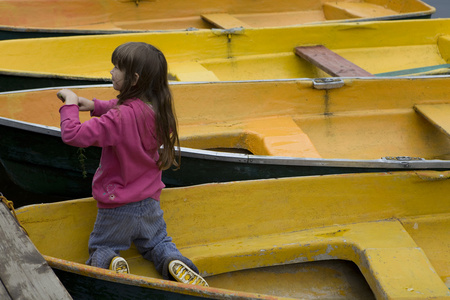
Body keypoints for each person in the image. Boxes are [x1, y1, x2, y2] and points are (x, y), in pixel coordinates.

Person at [57, 42, 208, 286]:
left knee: (102, 246)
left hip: (117, 208)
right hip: (149, 203)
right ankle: (172, 261)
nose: (111, 72)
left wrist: (70, 104)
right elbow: (129, 112)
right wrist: (96, 106)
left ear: (134, 78)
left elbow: (73, 135)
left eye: (117, 68)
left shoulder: (119, 119)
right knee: (158, 242)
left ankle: (110, 262)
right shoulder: (160, 110)